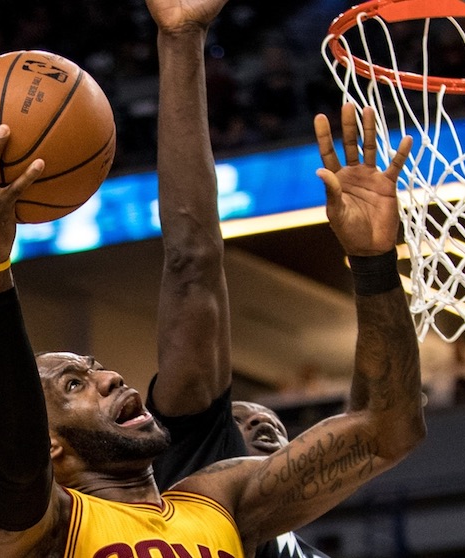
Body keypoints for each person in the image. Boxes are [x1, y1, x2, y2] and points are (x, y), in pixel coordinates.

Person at [0, 1, 422, 557]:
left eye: (93, 368)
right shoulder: (40, 531)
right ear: (50, 444)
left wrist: (374, 261)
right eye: (74, 385)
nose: (110, 377)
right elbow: (13, 460)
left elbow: (387, 429)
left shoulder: (220, 499)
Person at [143, 6, 327, 554]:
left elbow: (392, 425)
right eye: (238, 420)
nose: (263, 419)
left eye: (270, 421)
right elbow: (191, 262)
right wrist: (180, 42)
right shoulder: (195, 467)